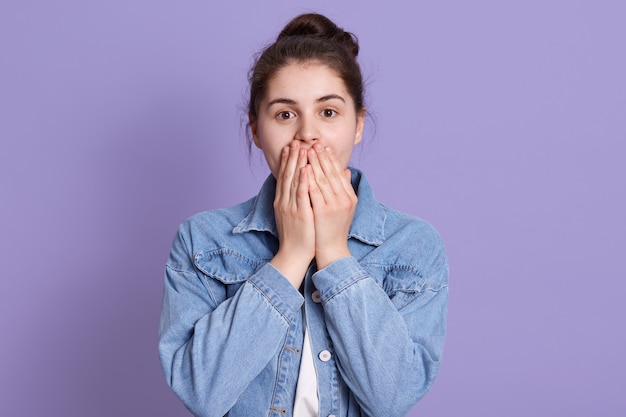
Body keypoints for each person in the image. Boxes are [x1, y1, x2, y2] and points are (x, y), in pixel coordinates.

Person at [158, 12, 448, 417]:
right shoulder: (202, 241)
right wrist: (291, 256)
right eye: (285, 114)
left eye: (328, 112)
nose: (307, 134)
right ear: (256, 131)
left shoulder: (413, 245)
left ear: (358, 125)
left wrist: (333, 251)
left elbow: (392, 397)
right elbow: (201, 392)